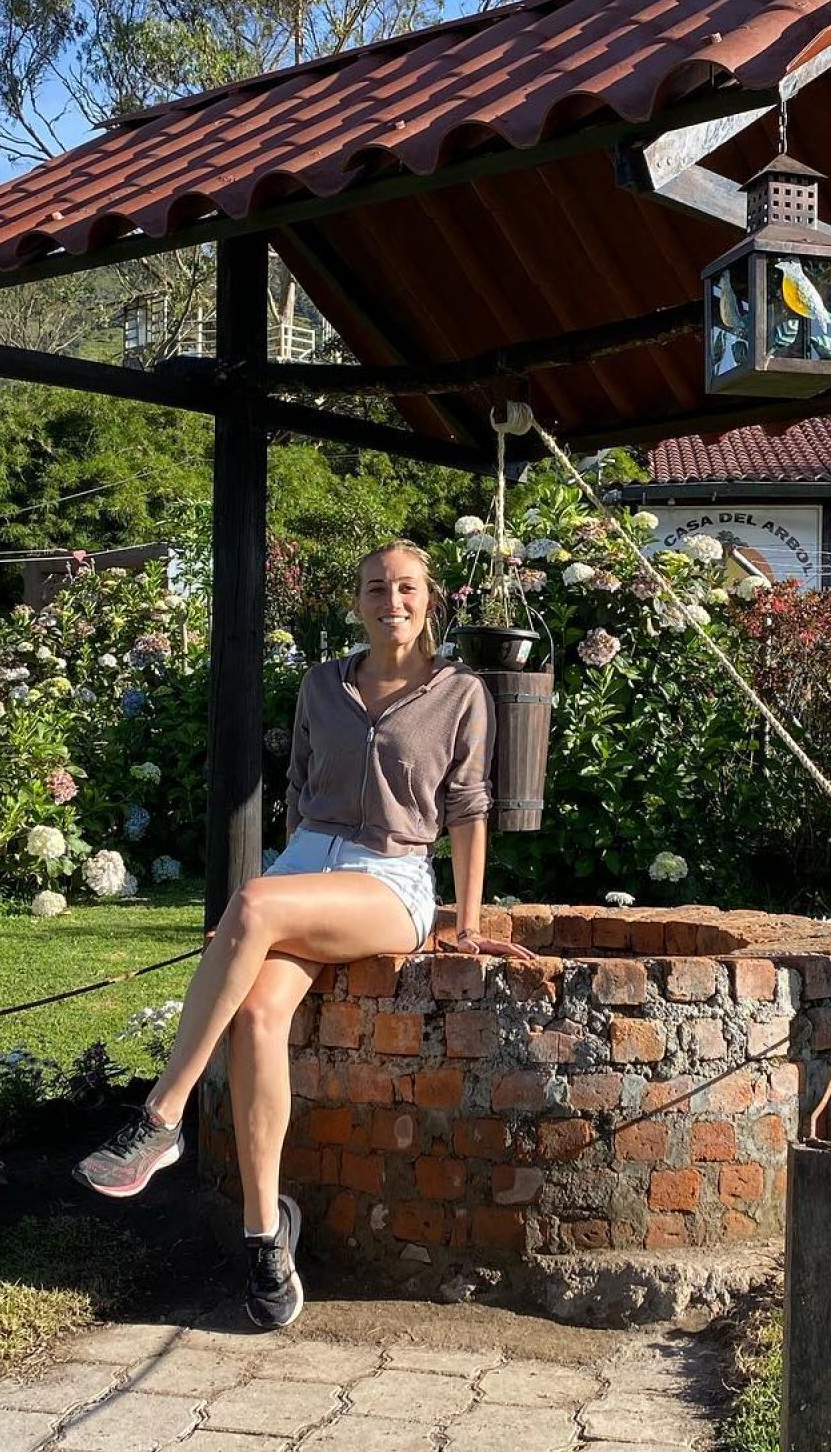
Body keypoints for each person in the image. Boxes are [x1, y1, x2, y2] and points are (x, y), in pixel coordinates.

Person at [73, 539, 528, 1329]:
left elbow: (468, 808)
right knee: (254, 1014)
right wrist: (280, 904)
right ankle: (264, 1234)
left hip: (393, 878)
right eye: (376, 587)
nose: (392, 598)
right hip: (307, 863)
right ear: (356, 602)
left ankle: (162, 1118)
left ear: (432, 601)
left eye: (407, 587)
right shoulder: (322, 684)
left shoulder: (461, 693)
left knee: (249, 905)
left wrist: (468, 921)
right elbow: (295, 793)